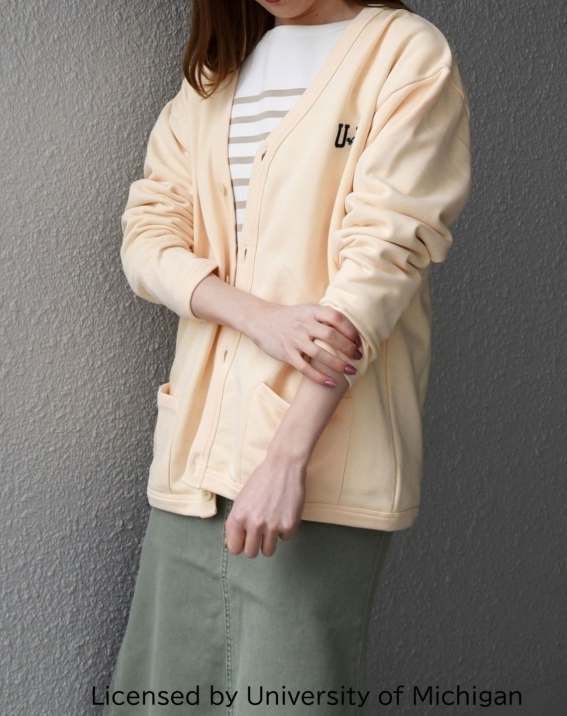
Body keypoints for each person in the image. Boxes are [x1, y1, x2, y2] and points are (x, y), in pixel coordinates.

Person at [103, 0, 471, 713]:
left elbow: (380, 265)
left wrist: (285, 458)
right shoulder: (214, 77)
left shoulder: (406, 53)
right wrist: (260, 318)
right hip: (194, 461)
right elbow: (146, 238)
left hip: (315, 467)